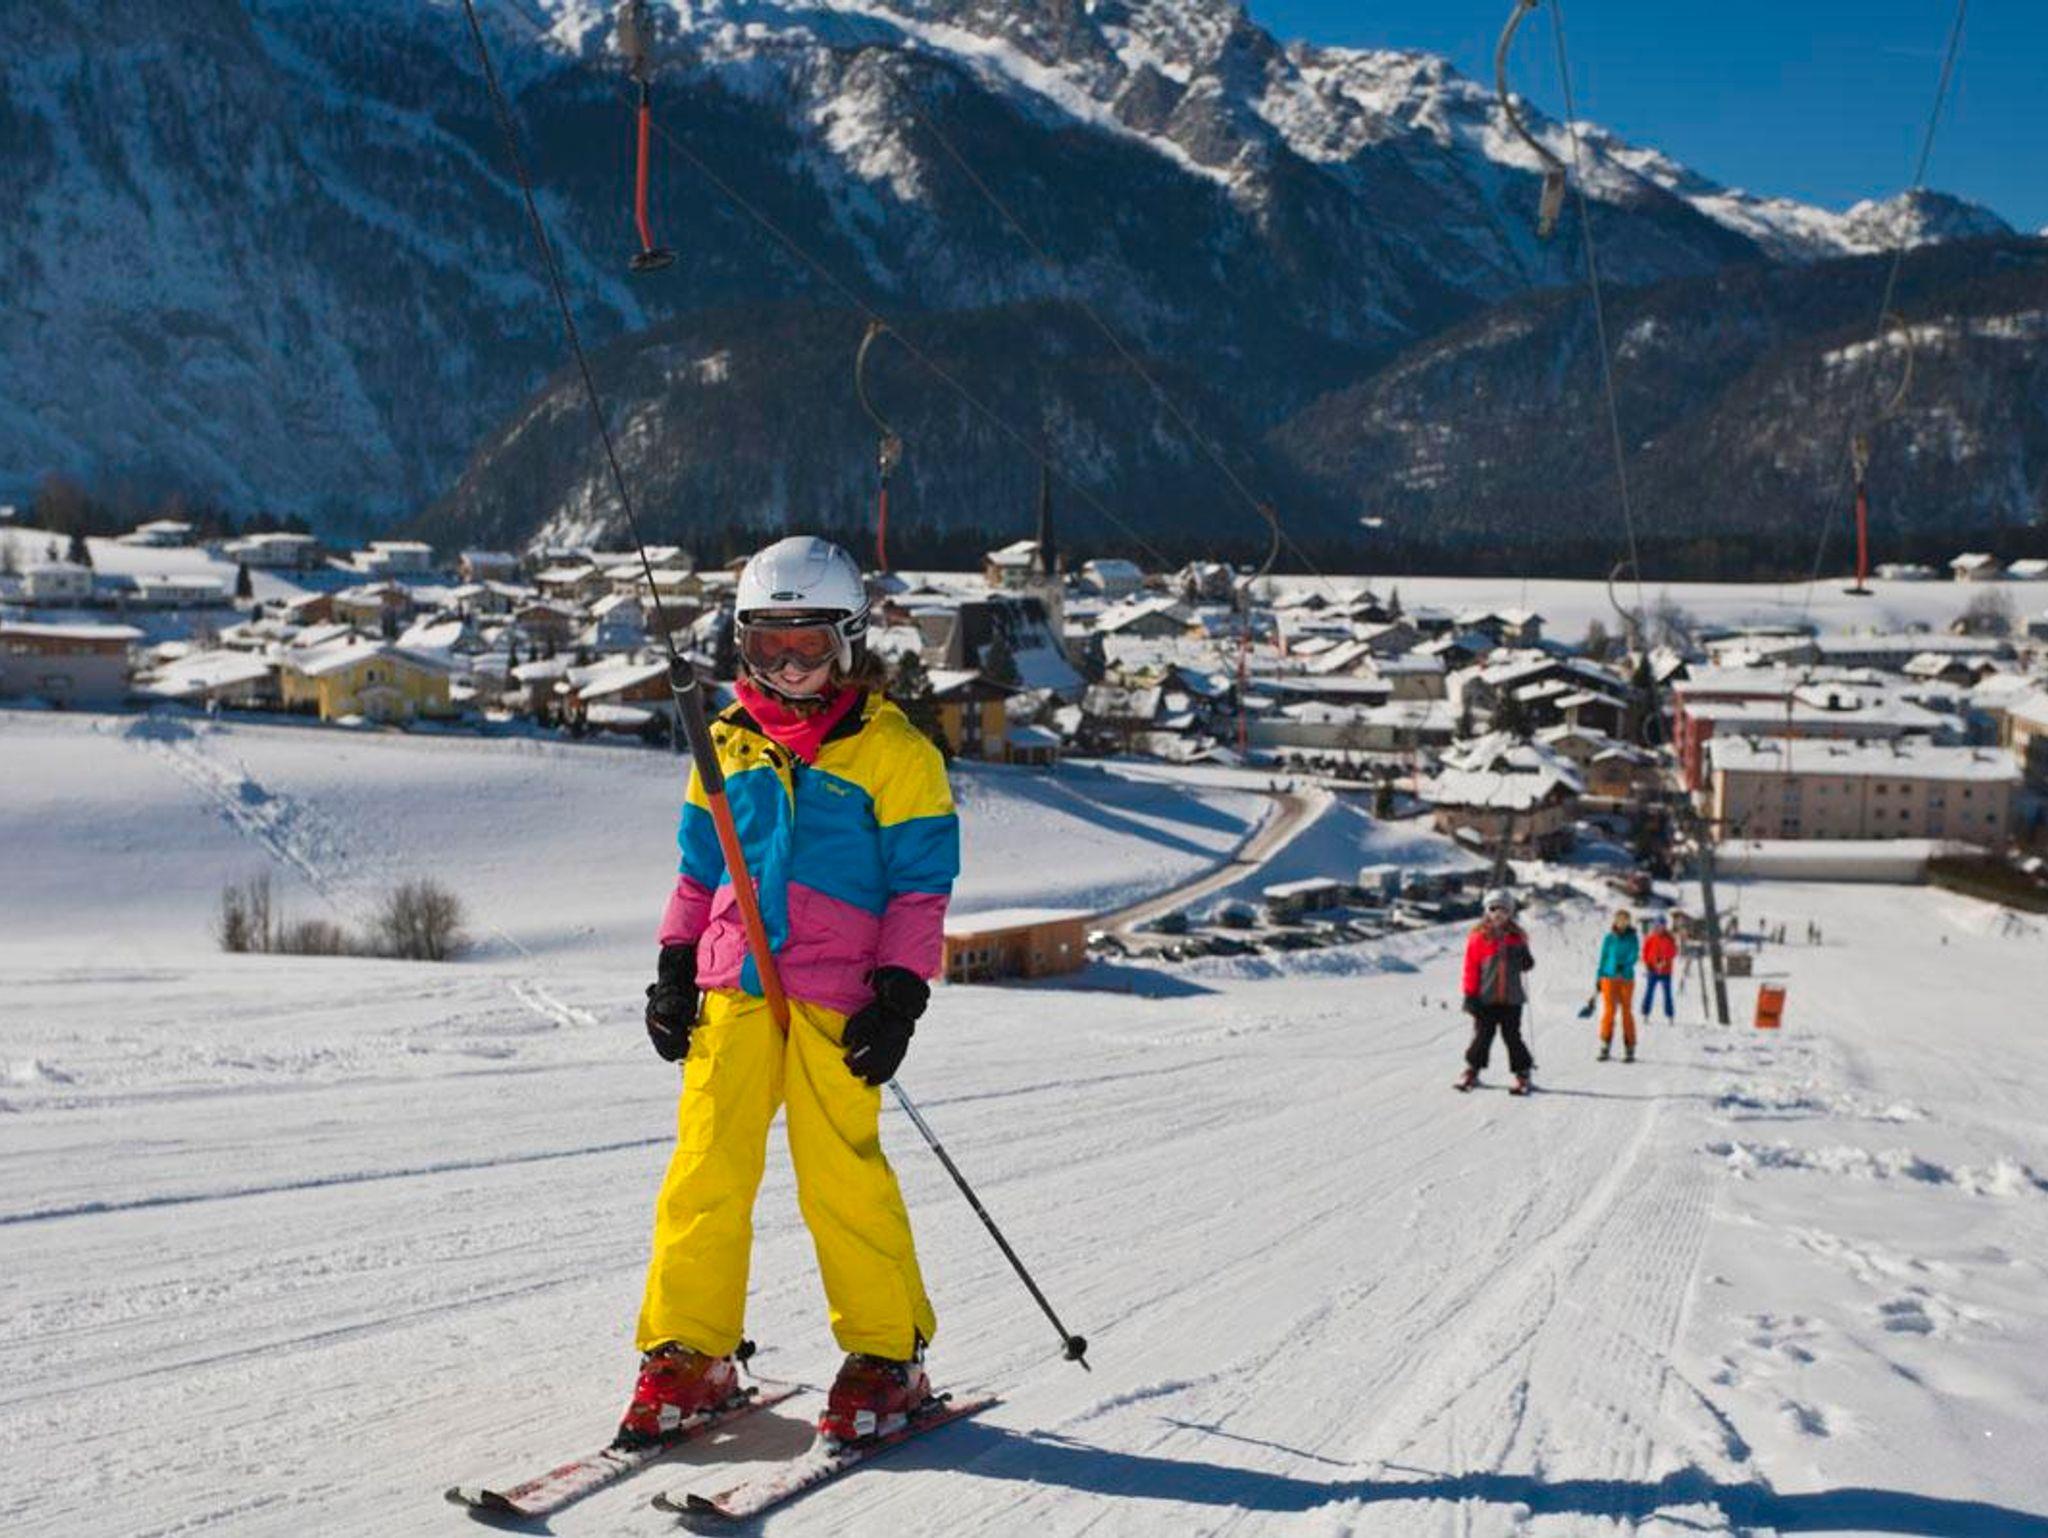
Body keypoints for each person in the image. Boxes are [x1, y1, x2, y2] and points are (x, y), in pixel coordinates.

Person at [620, 536, 958, 1449]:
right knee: (706, 1167)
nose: (789, 666)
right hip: (733, 985)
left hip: (839, 997)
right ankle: (690, 1349)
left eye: (808, 644)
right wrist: (675, 967)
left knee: (839, 1173)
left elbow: (920, 889)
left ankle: (886, 1354)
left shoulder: (896, 754)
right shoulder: (724, 744)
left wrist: (899, 996)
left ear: (848, 643)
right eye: (768, 646)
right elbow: (697, 870)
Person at [1456, 888, 1536, 1094]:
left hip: (1512, 999)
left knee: (1512, 1036)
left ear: (1510, 913)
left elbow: (1526, 962)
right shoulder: (1478, 938)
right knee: (1482, 1036)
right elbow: (1470, 968)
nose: (1498, 914)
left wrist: (1527, 961)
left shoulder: (1517, 937)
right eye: (1493, 909)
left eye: (1503, 910)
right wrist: (1470, 995)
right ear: (1486, 911)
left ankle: (1523, 1073)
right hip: (1486, 998)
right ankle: (1472, 1070)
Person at [1596, 909, 1640, 1062]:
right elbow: (1603, 958)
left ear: (1628, 922)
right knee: (1609, 1011)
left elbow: (1634, 955)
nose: (1622, 923)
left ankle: (1629, 1046)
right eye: (1619, 919)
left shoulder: (1632, 938)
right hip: (1609, 978)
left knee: (1626, 1012)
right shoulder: (1609, 938)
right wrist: (1599, 978)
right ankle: (1605, 1044)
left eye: (1625, 920)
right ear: (1615, 921)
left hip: (1626, 978)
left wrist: (1623, 966)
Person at [1641, 914, 1678, 1021]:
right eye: (1658, 925)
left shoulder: (1669, 938)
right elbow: (1645, 952)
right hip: (1653, 970)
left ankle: (1669, 1014)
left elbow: (1673, 952)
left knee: (1667, 993)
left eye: (1662, 925)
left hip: (1666, 971)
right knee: (1649, 991)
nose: (1660, 928)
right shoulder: (1651, 938)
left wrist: (1664, 960)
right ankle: (1645, 1012)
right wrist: (1649, 963)